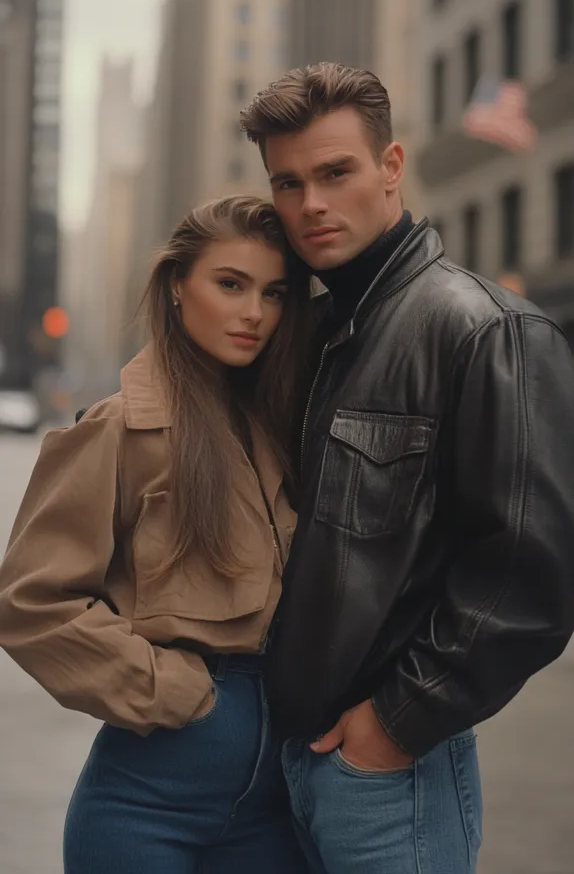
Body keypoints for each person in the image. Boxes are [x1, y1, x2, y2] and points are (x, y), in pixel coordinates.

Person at [240, 63, 574, 874]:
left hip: (389, 779)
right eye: (288, 183)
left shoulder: (486, 331)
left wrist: (393, 727)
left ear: (390, 168)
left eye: (335, 172)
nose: (311, 203)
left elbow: (530, 579)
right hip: (284, 768)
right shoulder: (311, 338)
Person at [0, 196, 312, 874]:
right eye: (230, 284)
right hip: (147, 804)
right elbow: (31, 602)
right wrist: (175, 691)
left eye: (274, 293)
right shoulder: (120, 427)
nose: (254, 312)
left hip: (274, 807)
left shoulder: (285, 427)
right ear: (177, 287)